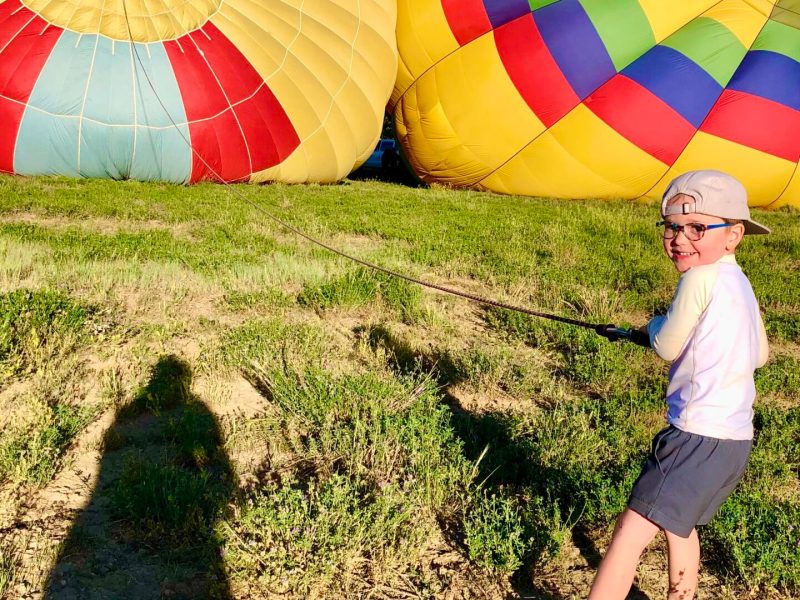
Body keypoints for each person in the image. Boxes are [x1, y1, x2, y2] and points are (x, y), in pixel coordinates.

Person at [588, 170, 770, 600]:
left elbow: (667, 344)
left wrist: (649, 326)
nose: (679, 238)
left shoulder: (698, 279)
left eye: (697, 227)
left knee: (628, 538)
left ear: (734, 235)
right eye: (671, 226)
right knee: (679, 526)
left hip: (694, 434)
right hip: (734, 439)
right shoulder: (739, 282)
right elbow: (760, 354)